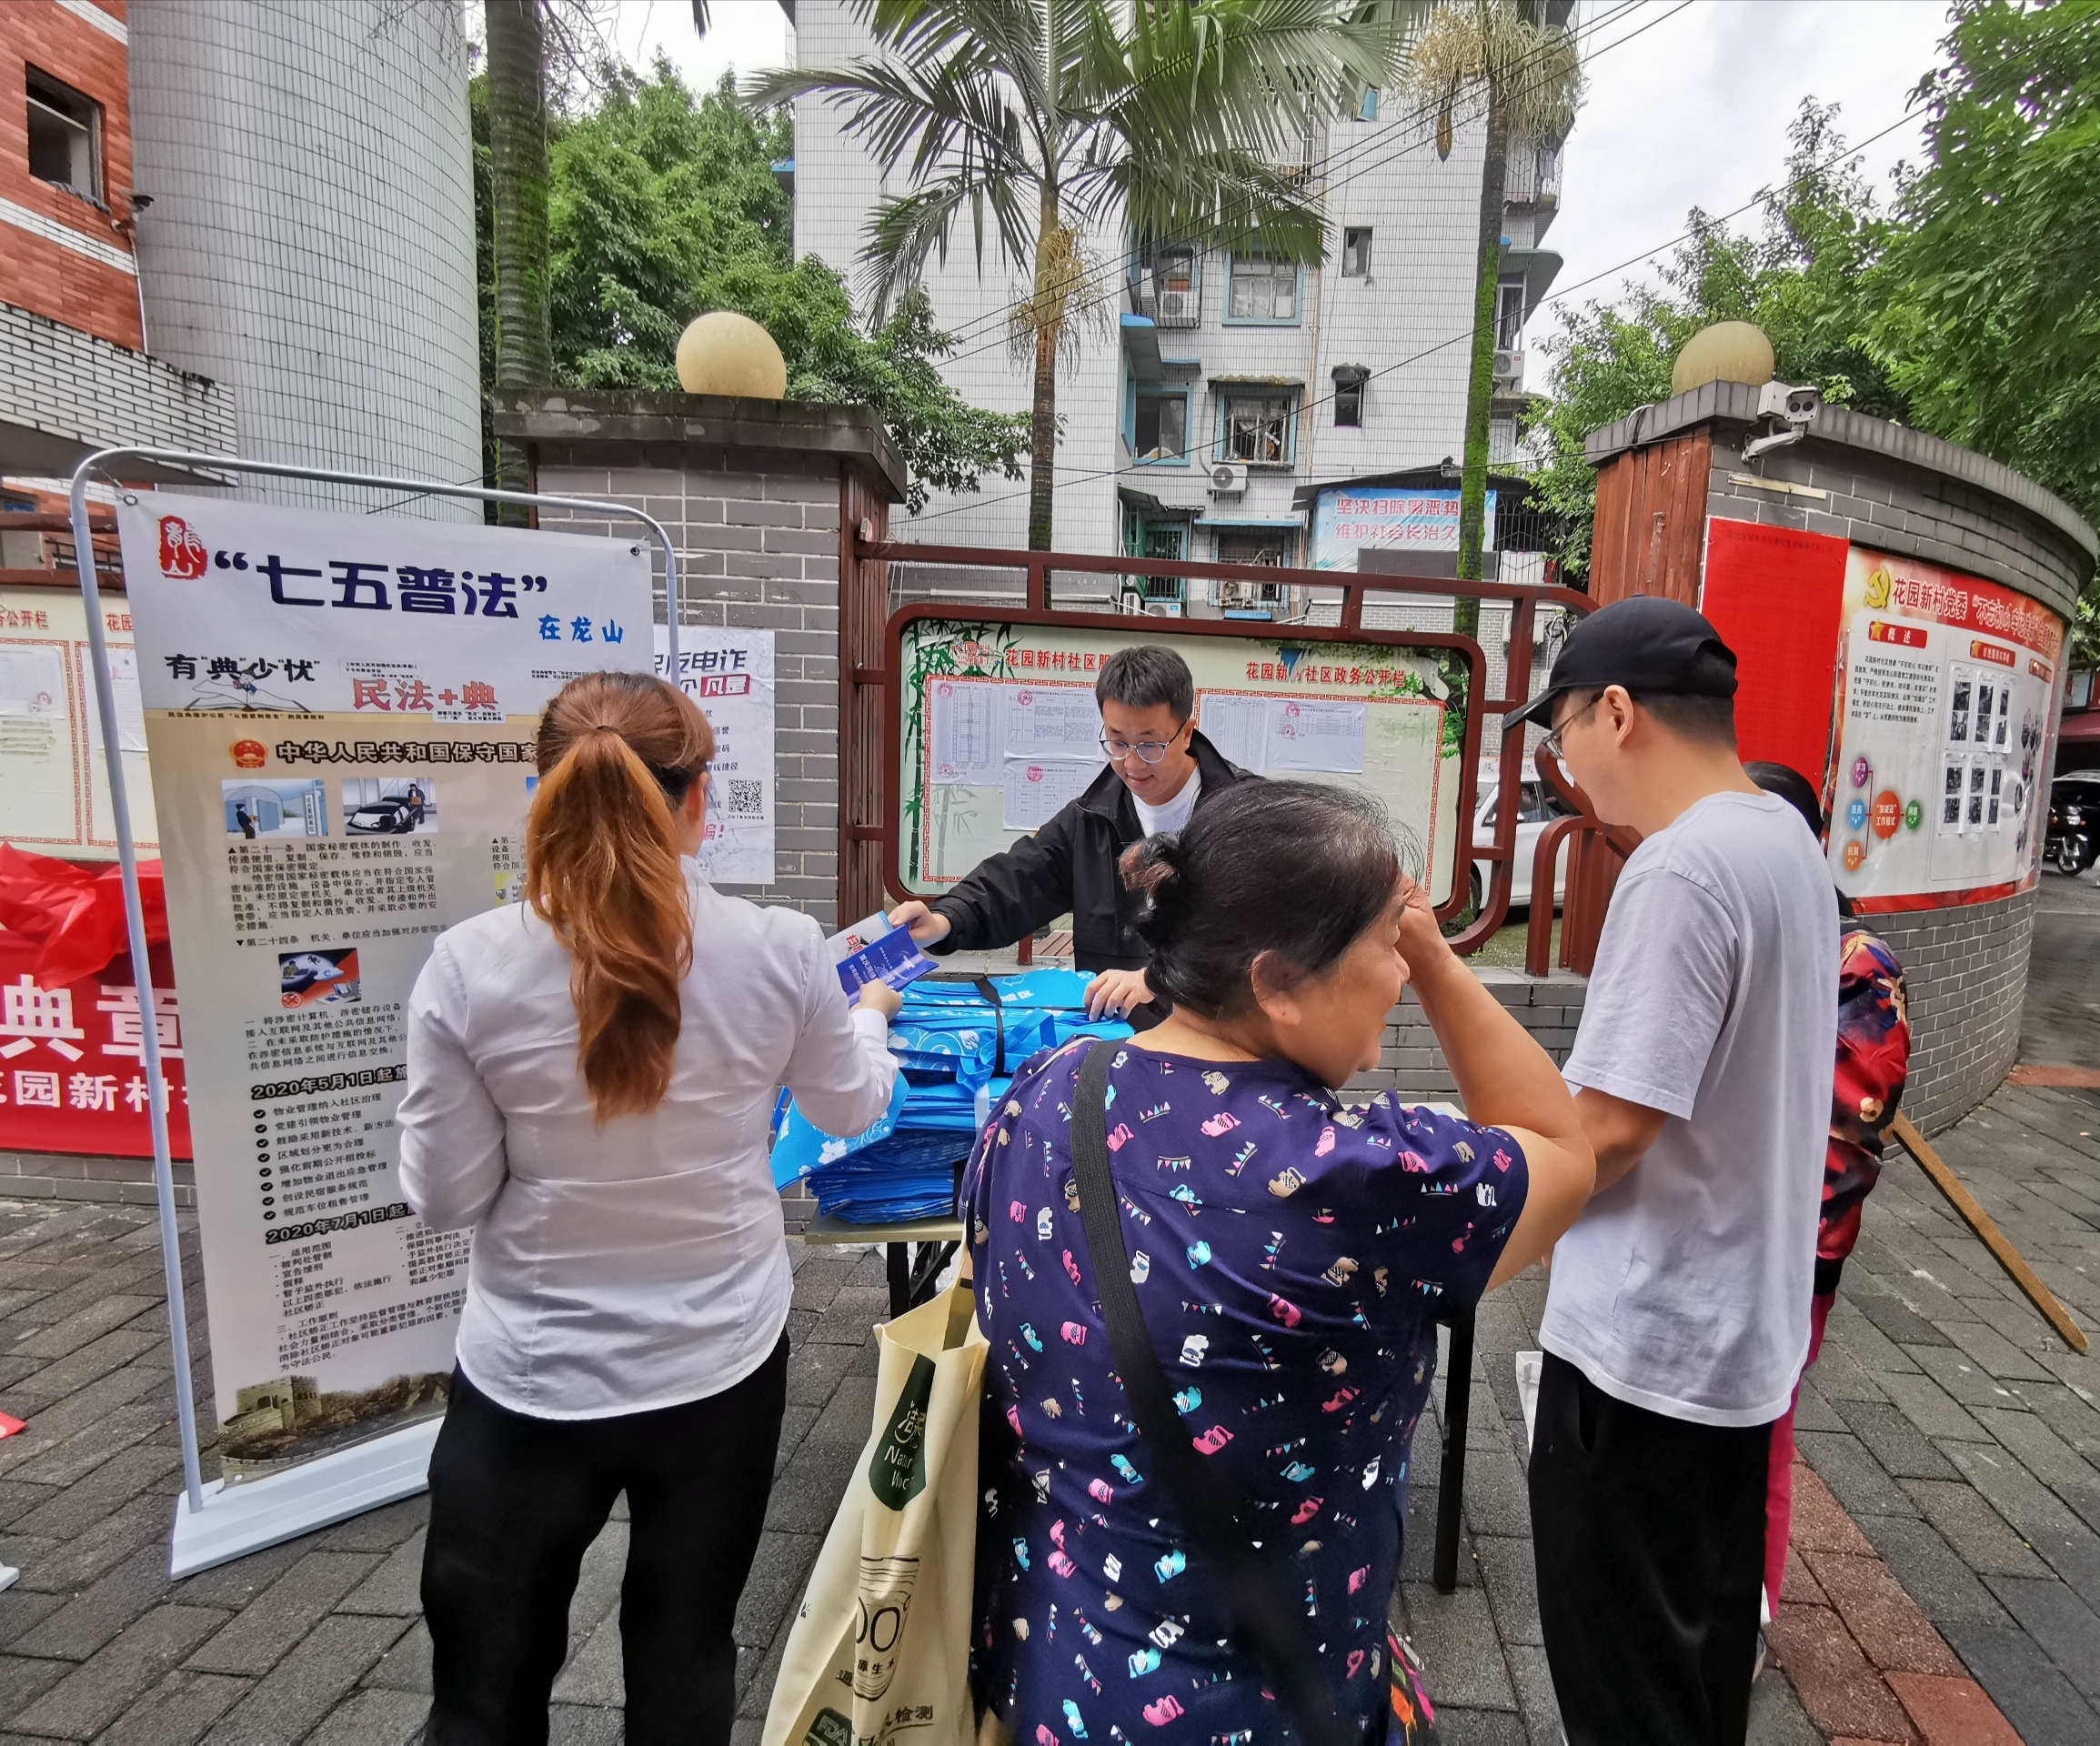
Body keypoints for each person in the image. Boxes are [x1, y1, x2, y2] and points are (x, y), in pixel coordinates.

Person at [962, 781, 1595, 1740]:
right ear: (1273, 983)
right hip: (1271, 1699)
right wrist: (1438, 962)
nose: (1396, 973)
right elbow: (1561, 1148)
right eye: (1386, 943)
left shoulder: (1050, 1091)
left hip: (1062, 1666)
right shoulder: (1361, 1180)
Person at [397, 671, 900, 1746]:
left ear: (544, 795)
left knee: (482, 1695)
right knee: (685, 1661)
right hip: (717, 1363)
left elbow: (444, 1195)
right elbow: (849, 1105)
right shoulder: (780, 950)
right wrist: (867, 1016)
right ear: (696, 796)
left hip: (529, 1376)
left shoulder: (468, 968)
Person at [1508, 597, 1839, 1746]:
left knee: (1625, 1697)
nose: (1558, 762)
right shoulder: (1781, 840)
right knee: (1695, 1677)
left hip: (1642, 1359)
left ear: (1615, 710)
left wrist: (1461, 1241)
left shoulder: (1680, 871)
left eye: (1558, 730)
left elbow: (1607, 1135)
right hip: (1739, 1354)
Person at [1746, 761, 1910, 1622]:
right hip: (1730, 1232)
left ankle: (1755, 1607)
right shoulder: (1759, 936)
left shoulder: (1857, 962)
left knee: (1764, 1428)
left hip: (1793, 1240)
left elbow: (1852, 1119)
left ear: (1808, 843)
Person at [888, 645, 1256, 1023]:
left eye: (1149, 745)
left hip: (1222, 1051)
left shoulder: (1249, 817)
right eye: (1117, 742)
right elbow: (1017, 880)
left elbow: (1272, 941)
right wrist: (946, 919)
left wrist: (1159, 980)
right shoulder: (1091, 819)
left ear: (1186, 732)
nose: (1131, 763)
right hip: (1115, 1049)